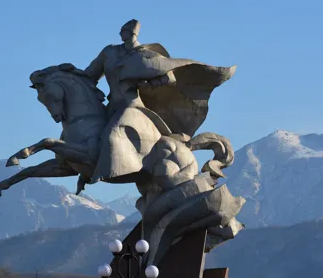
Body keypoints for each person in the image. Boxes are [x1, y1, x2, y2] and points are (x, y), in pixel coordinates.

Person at [65, 19, 236, 183]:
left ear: (132, 34)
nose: (121, 34)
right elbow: (90, 74)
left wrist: (148, 84)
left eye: (125, 32)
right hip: (112, 105)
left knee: (113, 133)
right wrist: (70, 71)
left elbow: (170, 79)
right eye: (122, 32)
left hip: (132, 106)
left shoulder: (145, 56)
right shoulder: (109, 52)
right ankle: (79, 168)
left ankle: (106, 172)